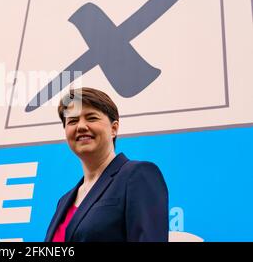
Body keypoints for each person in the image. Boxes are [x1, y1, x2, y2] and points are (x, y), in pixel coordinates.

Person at [44, 87, 169, 242]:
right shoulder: (64, 201)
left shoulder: (136, 175)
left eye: (91, 118)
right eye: (73, 121)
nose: (81, 126)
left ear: (114, 128)